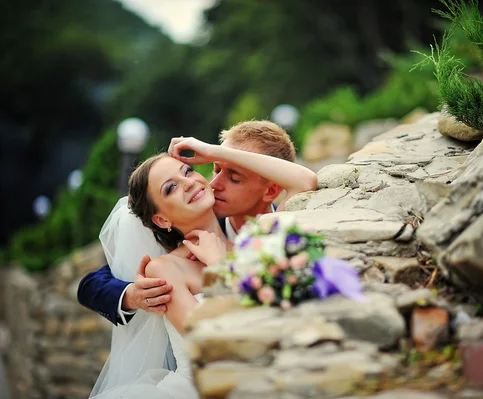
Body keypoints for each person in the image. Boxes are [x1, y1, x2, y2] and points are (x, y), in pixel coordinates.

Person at [90, 134, 317, 398]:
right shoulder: (164, 269)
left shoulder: (256, 239)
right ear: (162, 220)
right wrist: (221, 265)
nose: (188, 182)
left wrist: (213, 152)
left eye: (188, 171)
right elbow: (216, 346)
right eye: (170, 188)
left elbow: (306, 182)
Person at [78, 121, 310, 325]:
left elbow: (307, 180)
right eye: (215, 167)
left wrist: (214, 152)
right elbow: (90, 284)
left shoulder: (278, 226)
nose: (215, 183)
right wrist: (132, 295)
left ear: (270, 190)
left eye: (234, 176)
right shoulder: (181, 232)